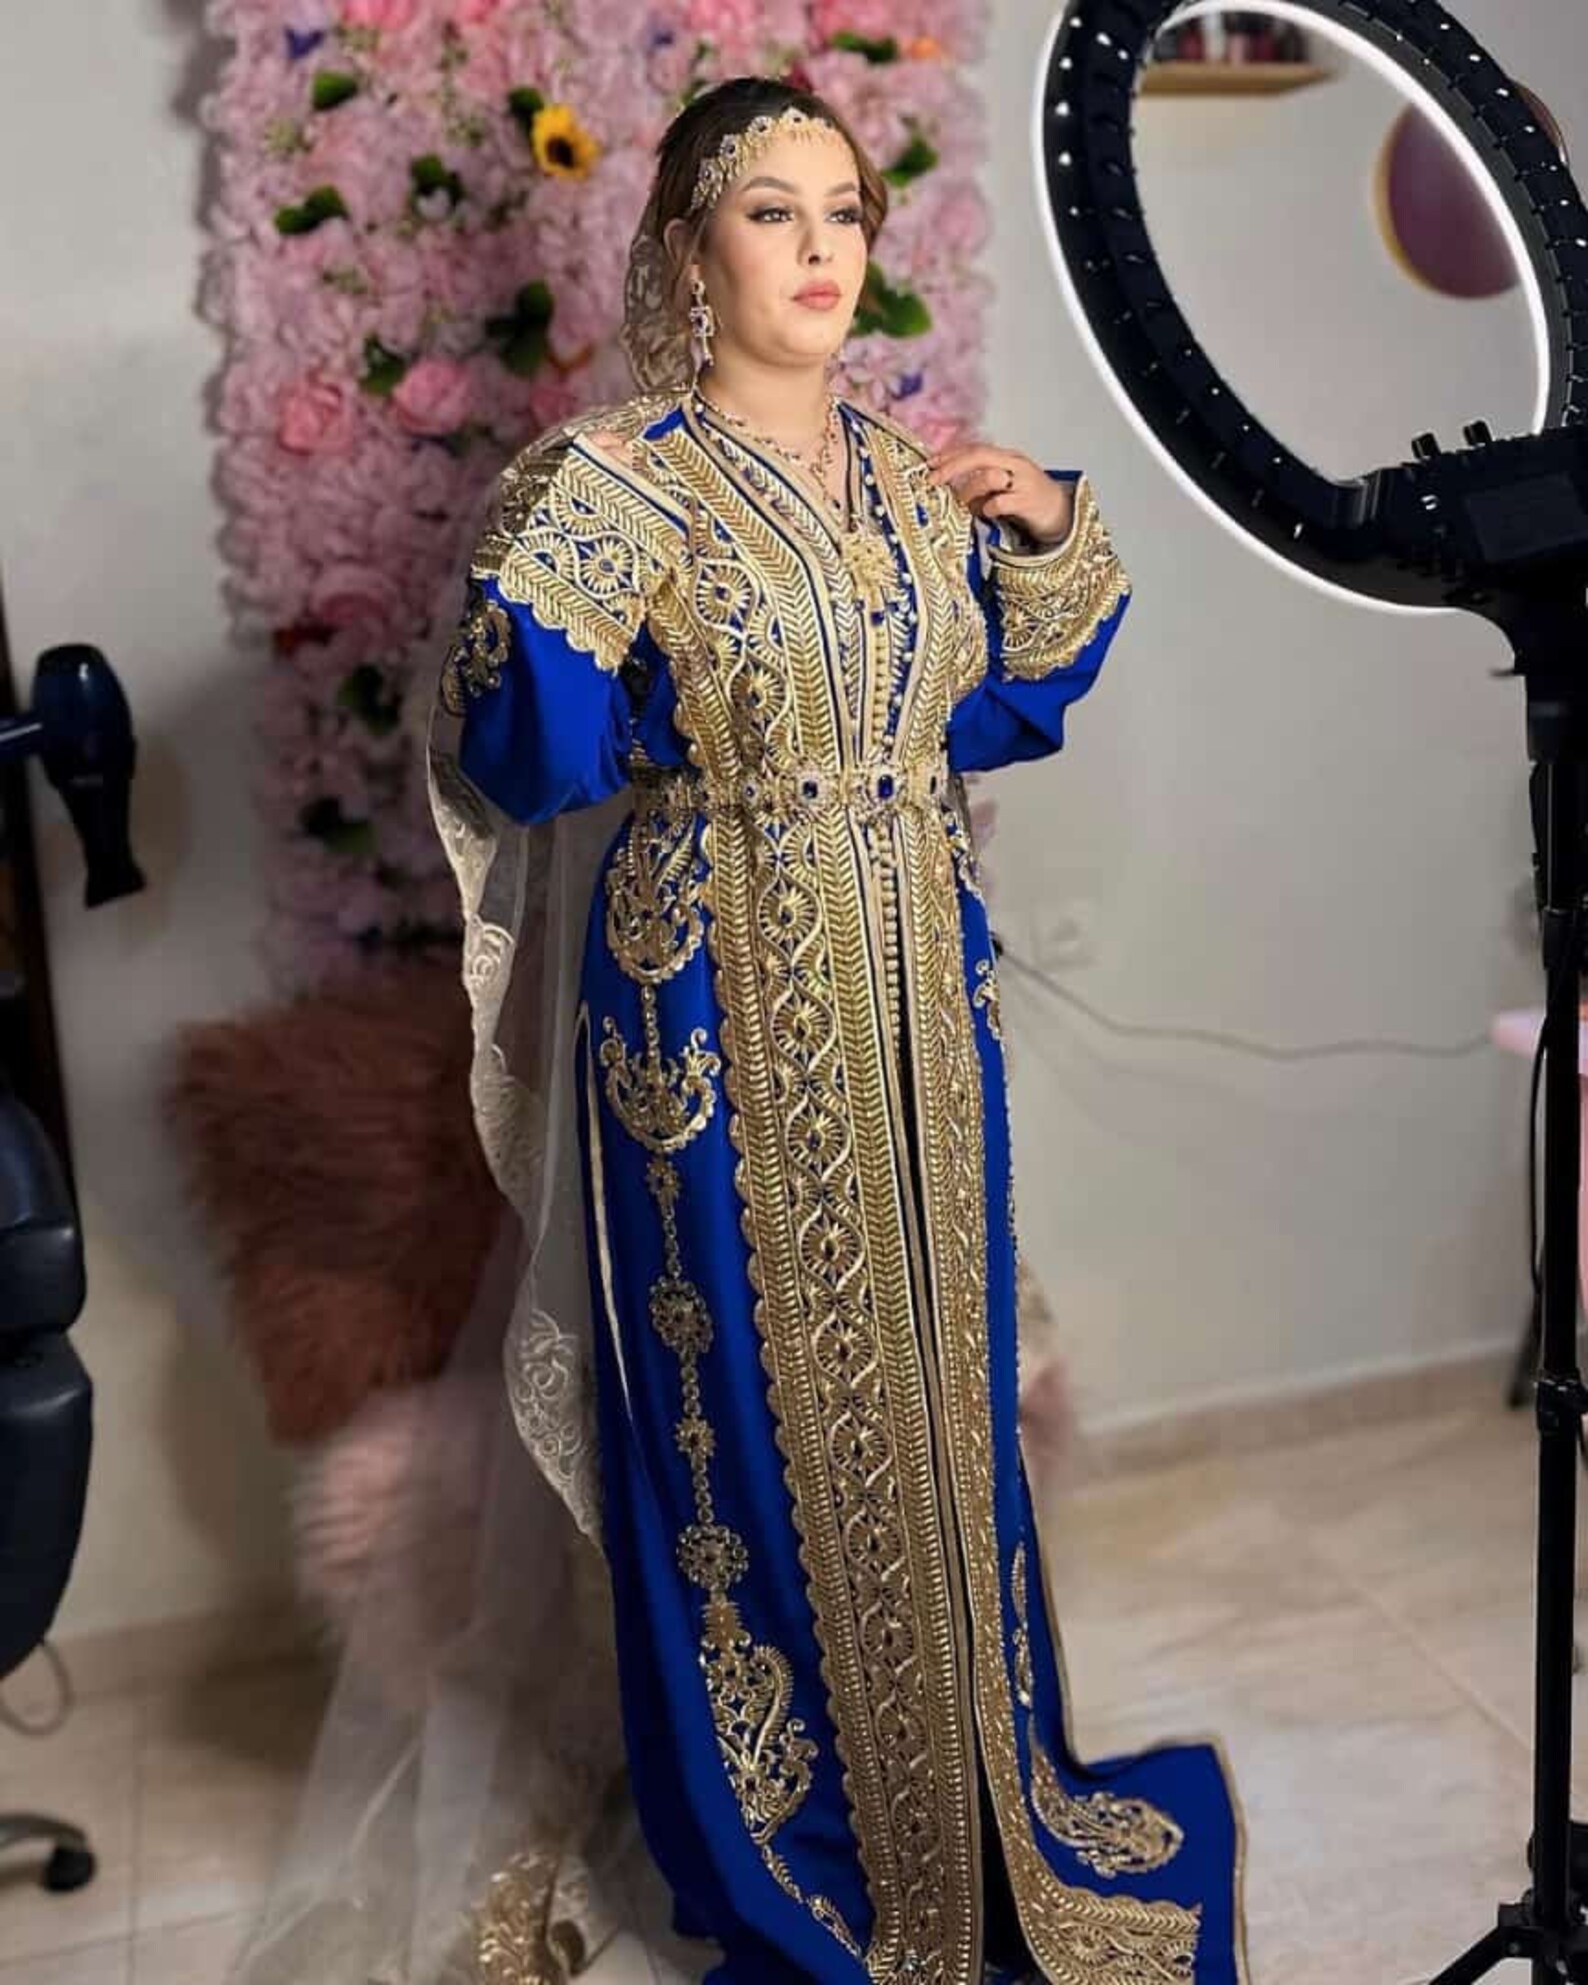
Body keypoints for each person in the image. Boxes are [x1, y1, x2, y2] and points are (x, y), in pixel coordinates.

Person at [423, 68, 1253, 1985]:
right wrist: (554, 580)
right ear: (688, 252)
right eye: (770, 211)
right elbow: (525, 749)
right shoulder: (612, 480)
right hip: (704, 1016)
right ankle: (797, 1846)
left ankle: (976, 1797)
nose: (819, 250)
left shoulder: (902, 475)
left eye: (844, 213)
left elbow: (1003, 703)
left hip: (921, 1000)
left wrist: (1040, 525)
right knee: (746, 1424)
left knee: (942, 1404)